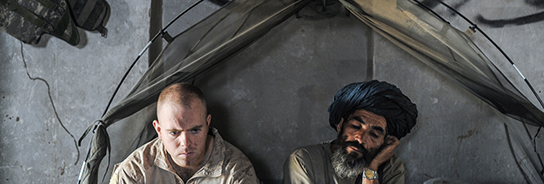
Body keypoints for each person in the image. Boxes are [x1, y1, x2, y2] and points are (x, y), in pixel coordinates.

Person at [110, 82, 260, 184]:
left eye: (195, 130)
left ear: (207, 124)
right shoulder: (135, 171)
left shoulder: (236, 171)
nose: (186, 143)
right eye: (174, 133)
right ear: (159, 130)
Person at [283, 80, 418, 184]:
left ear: (384, 141)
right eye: (355, 126)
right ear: (341, 125)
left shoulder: (391, 167)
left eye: (374, 134)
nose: (360, 138)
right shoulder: (304, 160)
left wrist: (371, 170)